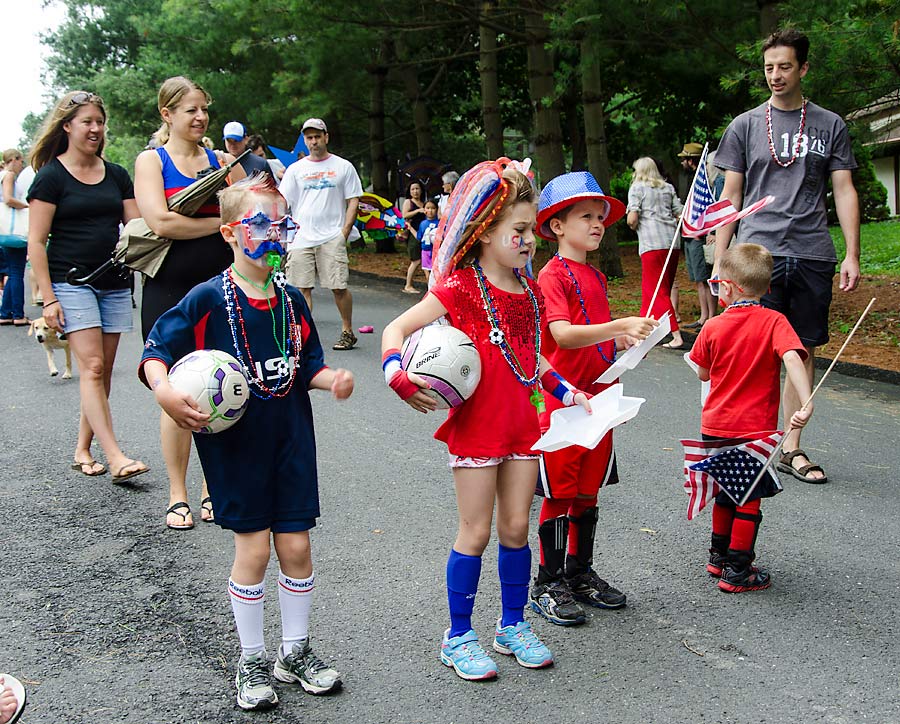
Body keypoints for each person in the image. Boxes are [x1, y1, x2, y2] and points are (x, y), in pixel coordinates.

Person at [139, 174, 354, 711]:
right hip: (237, 448)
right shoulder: (209, 297)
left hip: (291, 441)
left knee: (298, 547)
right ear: (232, 233)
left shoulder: (290, 301)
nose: (276, 236)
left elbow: (309, 366)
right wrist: (164, 391)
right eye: (263, 225)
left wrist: (334, 381)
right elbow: (155, 350)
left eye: (283, 225)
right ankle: (251, 658)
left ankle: (295, 651)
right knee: (254, 551)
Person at [382, 158, 592, 681]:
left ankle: (512, 624)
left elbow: (534, 356)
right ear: (483, 232)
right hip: (476, 427)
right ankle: (458, 636)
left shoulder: (532, 293)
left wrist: (566, 390)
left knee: (517, 527)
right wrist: (397, 376)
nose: (529, 240)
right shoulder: (457, 288)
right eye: (518, 230)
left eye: (531, 231)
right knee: (474, 531)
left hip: (523, 423)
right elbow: (396, 329)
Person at [714, 29, 860, 485]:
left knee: (801, 350)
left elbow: (843, 188)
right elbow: (730, 194)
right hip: (759, 252)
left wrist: (852, 253)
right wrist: (721, 259)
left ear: (803, 68)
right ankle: (752, 439)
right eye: (768, 68)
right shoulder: (744, 125)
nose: (775, 75)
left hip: (813, 251)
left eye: (784, 67)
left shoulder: (830, 124)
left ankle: (791, 447)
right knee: (756, 351)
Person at [530, 171, 658, 625]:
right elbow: (561, 334)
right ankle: (548, 581)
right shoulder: (551, 275)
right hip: (562, 404)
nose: (598, 223)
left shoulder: (596, 276)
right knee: (559, 493)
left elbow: (595, 341)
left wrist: (623, 344)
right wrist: (619, 325)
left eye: (601, 216)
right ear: (557, 225)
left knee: (587, 492)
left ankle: (580, 572)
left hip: (598, 401)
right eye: (586, 216)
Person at [134, 76, 245, 529]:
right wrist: (217, 225)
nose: (200, 118)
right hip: (169, 291)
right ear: (167, 114)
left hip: (221, 288)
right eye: (190, 110)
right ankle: (178, 493)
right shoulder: (151, 161)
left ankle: (210, 489)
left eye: (204, 110)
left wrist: (227, 220)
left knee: (222, 383)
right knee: (177, 391)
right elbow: (160, 222)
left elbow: (248, 211)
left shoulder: (221, 161)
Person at [27, 90, 149, 482]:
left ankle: (82, 448)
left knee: (104, 371)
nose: (95, 129)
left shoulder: (116, 174)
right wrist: (48, 299)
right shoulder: (50, 178)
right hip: (71, 282)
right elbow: (36, 243)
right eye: (87, 122)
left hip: (114, 282)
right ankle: (115, 457)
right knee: (92, 367)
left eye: (99, 121)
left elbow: (135, 229)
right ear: (67, 127)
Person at [689, 244, 813, 592]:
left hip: (715, 426)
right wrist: (805, 401)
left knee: (726, 490)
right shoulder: (775, 322)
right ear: (766, 287)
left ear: (726, 288)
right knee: (749, 497)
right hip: (753, 431)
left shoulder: (713, 326)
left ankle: (718, 557)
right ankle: (739, 570)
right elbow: (793, 358)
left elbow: (702, 373)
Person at [280, 118, 363, 350]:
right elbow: (283, 202)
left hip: (331, 236)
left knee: (338, 286)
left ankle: (347, 331)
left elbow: (353, 200)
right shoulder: (295, 170)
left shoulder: (343, 166)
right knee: (300, 288)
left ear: (326, 137)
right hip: (301, 237)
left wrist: (344, 232)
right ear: (304, 141)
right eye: (309, 137)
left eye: (317, 136)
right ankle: (301, 335)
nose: (314, 141)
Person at [626, 157, 685, 348]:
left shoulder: (637, 188)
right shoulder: (667, 188)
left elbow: (632, 218)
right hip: (672, 242)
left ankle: (676, 335)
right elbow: (680, 211)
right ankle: (645, 331)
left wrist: (632, 224)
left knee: (655, 290)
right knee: (662, 288)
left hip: (651, 242)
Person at [677, 142, 717, 330]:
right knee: (698, 280)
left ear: (691, 160)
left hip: (699, 237)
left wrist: (711, 232)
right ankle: (703, 316)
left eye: (684, 159)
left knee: (705, 278)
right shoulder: (688, 180)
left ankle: (710, 317)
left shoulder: (703, 181)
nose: (682, 162)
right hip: (688, 234)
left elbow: (709, 208)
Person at [0, 149, 31, 326]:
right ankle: (18, 314)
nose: (22, 165)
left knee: (12, 271)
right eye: (21, 161)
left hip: (5, 230)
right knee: (17, 272)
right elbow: (9, 199)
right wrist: (27, 206)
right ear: (14, 159)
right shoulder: (9, 175)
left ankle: (6, 312)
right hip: (15, 230)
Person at [401, 181, 426, 293]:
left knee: (425, 260)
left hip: (424, 234)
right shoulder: (408, 202)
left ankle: (430, 284)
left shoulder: (424, 203)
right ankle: (408, 285)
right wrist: (417, 211)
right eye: (413, 189)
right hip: (412, 233)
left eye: (417, 189)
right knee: (416, 260)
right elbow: (404, 215)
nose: (415, 191)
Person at [417, 198, 439, 284]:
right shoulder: (422, 223)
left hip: (435, 251)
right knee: (427, 271)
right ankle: (429, 289)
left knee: (435, 271)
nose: (430, 211)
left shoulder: (439, 222)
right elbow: (419, 237)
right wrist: (410, 228)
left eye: (433, 208)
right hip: (425, 251)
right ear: (424, 209)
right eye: (428, 208)